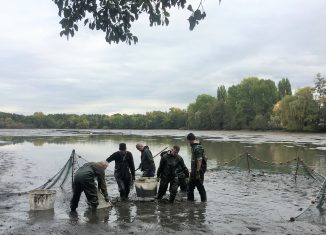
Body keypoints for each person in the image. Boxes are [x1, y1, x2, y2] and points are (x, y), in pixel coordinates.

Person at [186, 133, 207, 202]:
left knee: (200, 187)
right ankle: (190, 201)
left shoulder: (197, 147)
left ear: (191, 140)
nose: (188, 142)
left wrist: (197, 171)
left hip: (198, 171)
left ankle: (204, 203)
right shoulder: (194, 146)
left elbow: (199, 160)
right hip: (194, 171)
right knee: (190, 186)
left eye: (188, 141)